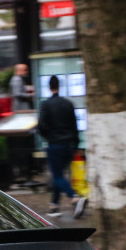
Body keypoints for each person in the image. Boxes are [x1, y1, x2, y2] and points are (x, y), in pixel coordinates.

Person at [37, 75, 88, 219]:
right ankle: (54, 206)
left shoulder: (46, 105)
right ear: (59, 86)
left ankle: (75, 197)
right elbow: (75, 126)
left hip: (54, 144)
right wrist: (77, 144)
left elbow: (41, 125)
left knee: (58, 176)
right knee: (59, 175)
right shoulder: (68, 104)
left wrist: (48, 137)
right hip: (68, 145)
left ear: (49, 87)